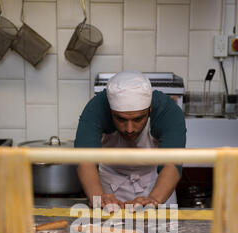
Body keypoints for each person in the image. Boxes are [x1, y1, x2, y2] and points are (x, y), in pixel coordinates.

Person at [75, 71, 186, 210]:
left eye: (138, 119)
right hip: (108, 189)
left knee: (160, 231)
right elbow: (85, 161)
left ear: (150, 109)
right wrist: (98, 199)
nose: (129, 129)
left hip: (157, 187)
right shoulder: (96, 108)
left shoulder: (167, 111)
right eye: (121, 119)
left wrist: (153, 200)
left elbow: (172, 164)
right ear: (110, 111)